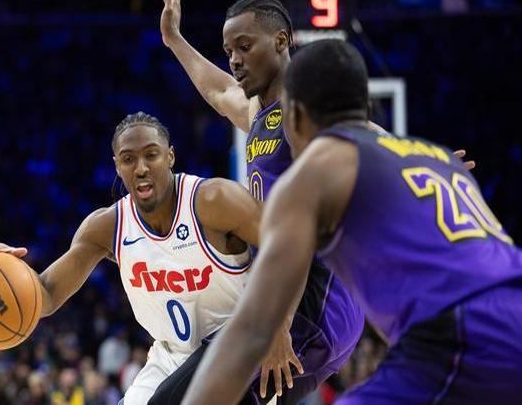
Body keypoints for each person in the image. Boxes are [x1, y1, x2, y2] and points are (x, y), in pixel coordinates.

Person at [181, 39, 522, 405]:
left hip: (461, 331)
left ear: (294, 116)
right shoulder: (436, 158)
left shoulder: (320, 166)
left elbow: (251, 330)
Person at [0, 112, 300, 404]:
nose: (141, 167)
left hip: (239, 349)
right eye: (129, 159)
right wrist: (2, 266)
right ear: (117, 166)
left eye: (151, 155)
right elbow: (46, 296)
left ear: (171, 156)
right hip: (169, 359)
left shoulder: (212, 200)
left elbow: (290, 244)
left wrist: (279, 325)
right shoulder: (107, 227)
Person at [160, 0, 364, 401]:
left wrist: (421, 160)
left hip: (314, 302)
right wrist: (174, 39)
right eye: (229, 51)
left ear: (281, 41)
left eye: (245, 46)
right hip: (288, 298)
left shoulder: (303, 111)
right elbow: (219, 91)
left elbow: (364, 137)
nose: (235, 60)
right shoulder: (259, 113)